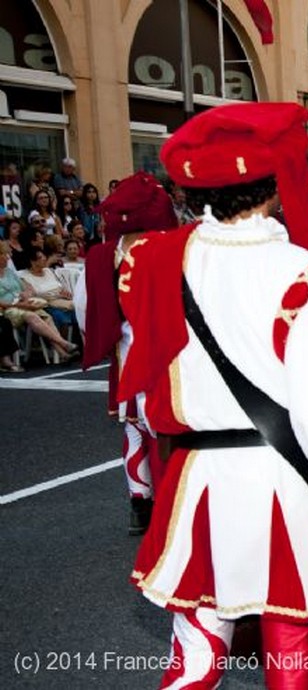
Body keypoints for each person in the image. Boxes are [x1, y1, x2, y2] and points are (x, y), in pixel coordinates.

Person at [119, 102, 308, 688]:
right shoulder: (304, 273)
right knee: (292, 653)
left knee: (195, 663)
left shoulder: (151, 262)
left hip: (196, 479)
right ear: (274, 186)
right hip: (284, 480)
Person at [72, 171, 181, 536]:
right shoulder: (172, 249)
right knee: (171, 426)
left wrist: (107, 339)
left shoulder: (101, 256)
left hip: (125, 351)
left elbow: (86, 310)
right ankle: (173, 502)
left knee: (134, 427)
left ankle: (139, 501)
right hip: (171, 351)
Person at [0, 241, 78, 360]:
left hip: (23, 303)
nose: (8, 257)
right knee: (33, 316)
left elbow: (27, 287)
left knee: (47, 317)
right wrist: (21, 304)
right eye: (5, 255)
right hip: (9, 308)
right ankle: (64, 343)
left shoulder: (10, 272)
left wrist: (26, 294)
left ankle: (61, 353)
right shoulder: (21, 273)